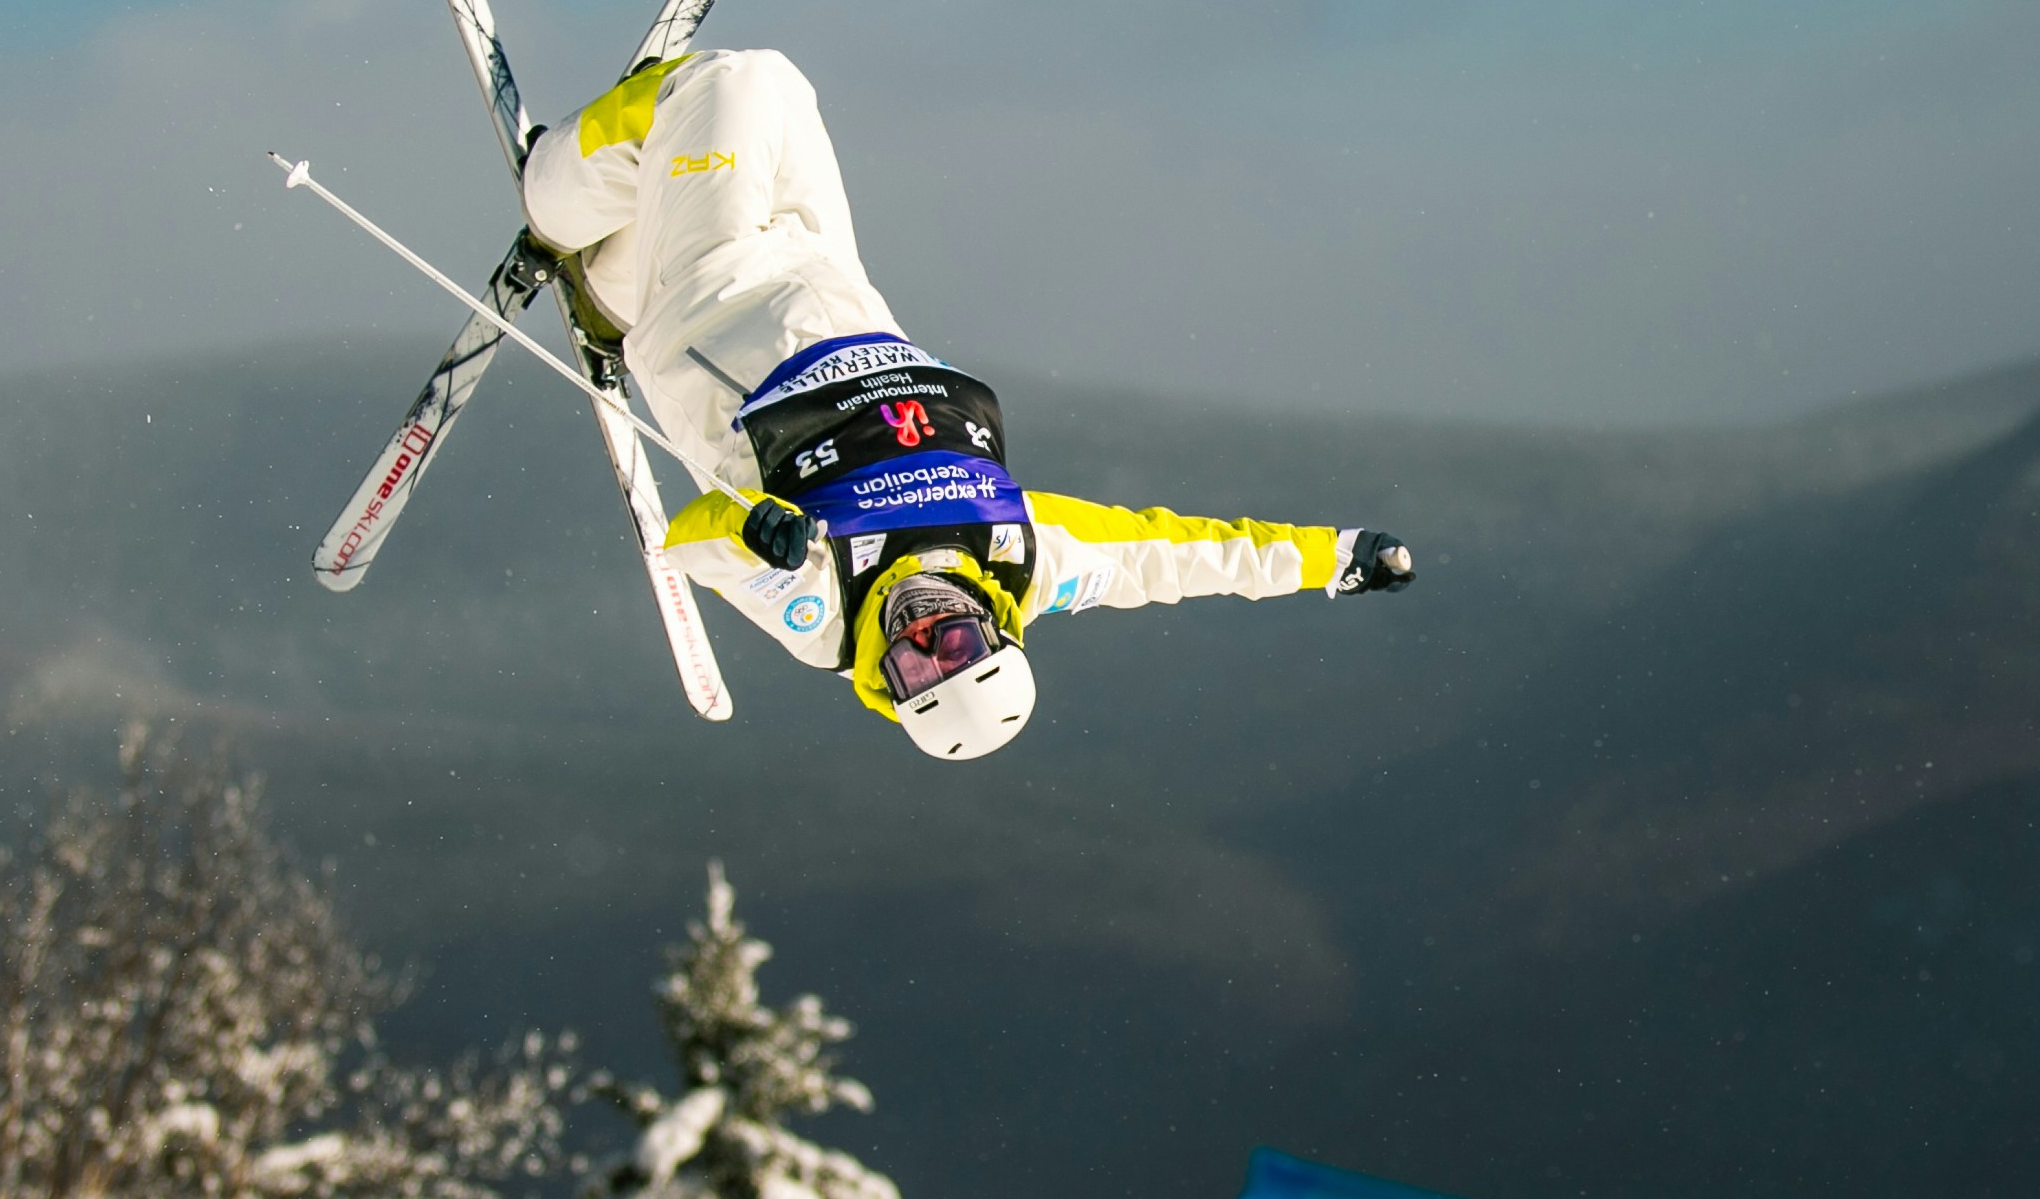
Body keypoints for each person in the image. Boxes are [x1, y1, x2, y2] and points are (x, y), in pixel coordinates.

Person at [518, 46, 1414, 760]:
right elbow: (1181, 559)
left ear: (890, 685)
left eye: (914, 668)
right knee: (787, 98)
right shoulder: (1030, 560)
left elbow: (694, 548)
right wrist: (1333, 558)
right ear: (996, 633)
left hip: (716, 308)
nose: (923, 634)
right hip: (837, 290)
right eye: (956, 646)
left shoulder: (825, 611)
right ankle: (610, 276)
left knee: (735, 78)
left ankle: (552, 198)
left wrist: (757, 534)